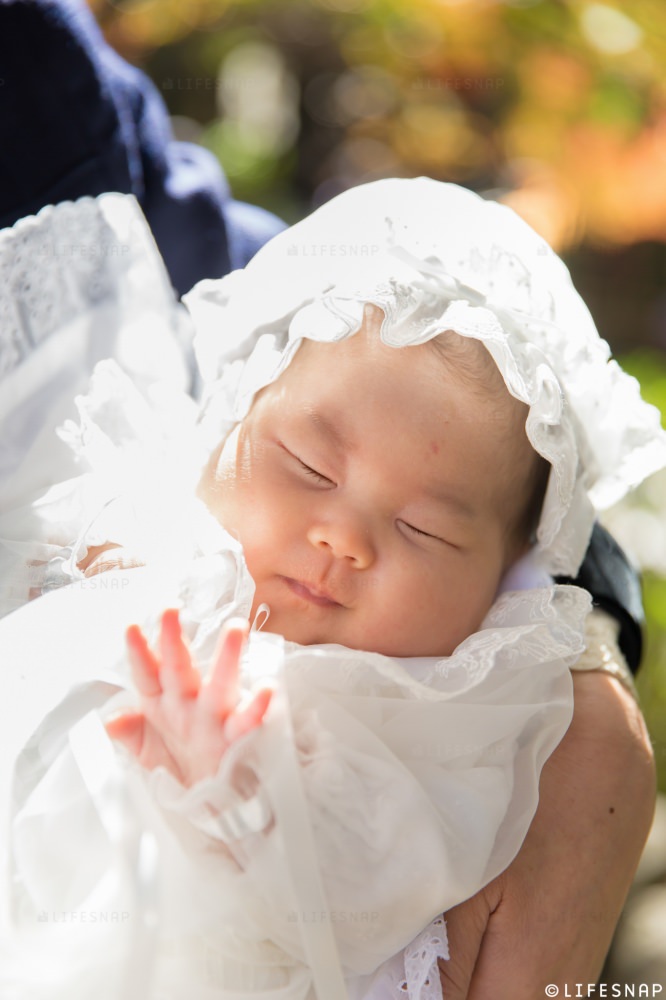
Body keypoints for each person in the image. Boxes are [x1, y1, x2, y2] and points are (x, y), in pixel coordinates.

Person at [0, 1, 657, 992]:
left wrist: (236, 795)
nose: (341, 537)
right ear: (220, 428)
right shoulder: (148, 508)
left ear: (504, 590)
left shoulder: (426, 717)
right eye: (307, 466)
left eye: (426, 529)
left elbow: (354, 870)